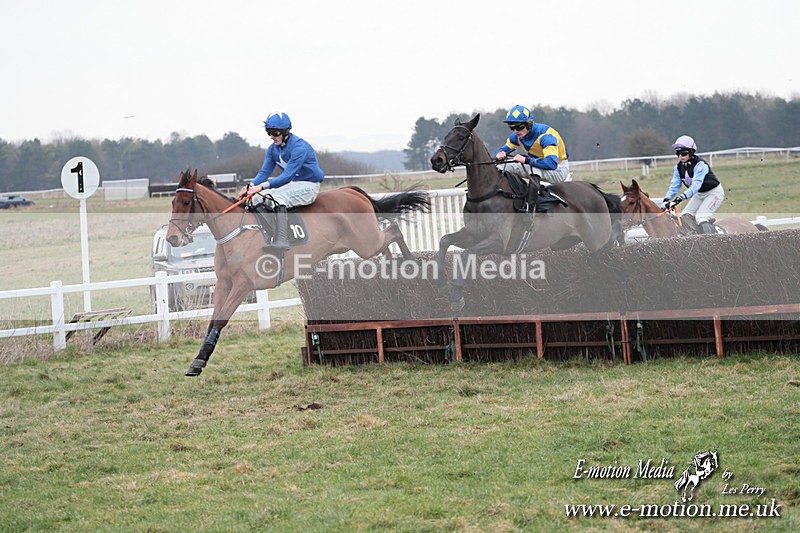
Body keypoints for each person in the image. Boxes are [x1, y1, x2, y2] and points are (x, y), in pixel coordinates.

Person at [238, 112, 325, 250]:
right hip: (292, 185)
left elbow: (287, 176)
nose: (272, 137)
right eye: (269, 133)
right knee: (255, 199)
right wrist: (250, 187)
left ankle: (282, 239)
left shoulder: (299, 147)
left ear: (286, 132)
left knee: (277, 198)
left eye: (275, 133)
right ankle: (267, 234)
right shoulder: (272, 150)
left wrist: (260, 187)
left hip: (309, 185)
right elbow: (264, 173)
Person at [662, 135, 724, 235]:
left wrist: (679, 199)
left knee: (701, 217)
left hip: (714, 193)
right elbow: (674, 186)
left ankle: (711, 242)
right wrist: (666, 200)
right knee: (685, 216)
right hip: (699, 194)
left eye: (683, 153)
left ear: (691, 152)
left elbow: (696, 186)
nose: (680, 156)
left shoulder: (700, 165)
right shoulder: (678, 168)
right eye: (678, 153)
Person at [494, 105, 571, 183]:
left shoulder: (546, 136)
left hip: (558, 169)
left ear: (529, 124)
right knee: (501, 166)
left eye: (519, 127)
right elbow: (502, 151)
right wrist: (499, 154)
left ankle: (532, 195)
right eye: (512, 128)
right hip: (540, 166)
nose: (515, 131)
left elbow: (551, 164)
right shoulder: (517, 136)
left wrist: (526, 160)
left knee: (533, 169)